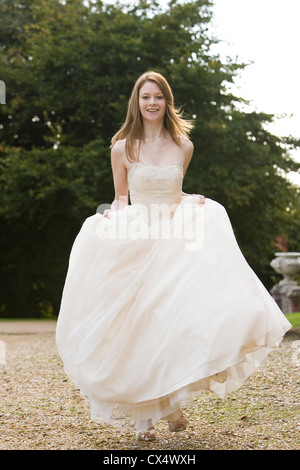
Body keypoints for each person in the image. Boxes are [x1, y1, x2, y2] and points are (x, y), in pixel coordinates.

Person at [56, 71, 291, 442]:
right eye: (145, 97)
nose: (152, 103)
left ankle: (169, 401)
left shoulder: (184, 145)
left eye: (159, 97)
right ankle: (147, 419)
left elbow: (174, 191)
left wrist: (193, 201)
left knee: (171, 324)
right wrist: (110, 218)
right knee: (137, 327)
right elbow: (121, 197)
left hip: (176, 239)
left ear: (167, 102)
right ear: (137, 102)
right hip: (137, 240)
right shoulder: (122, 148)